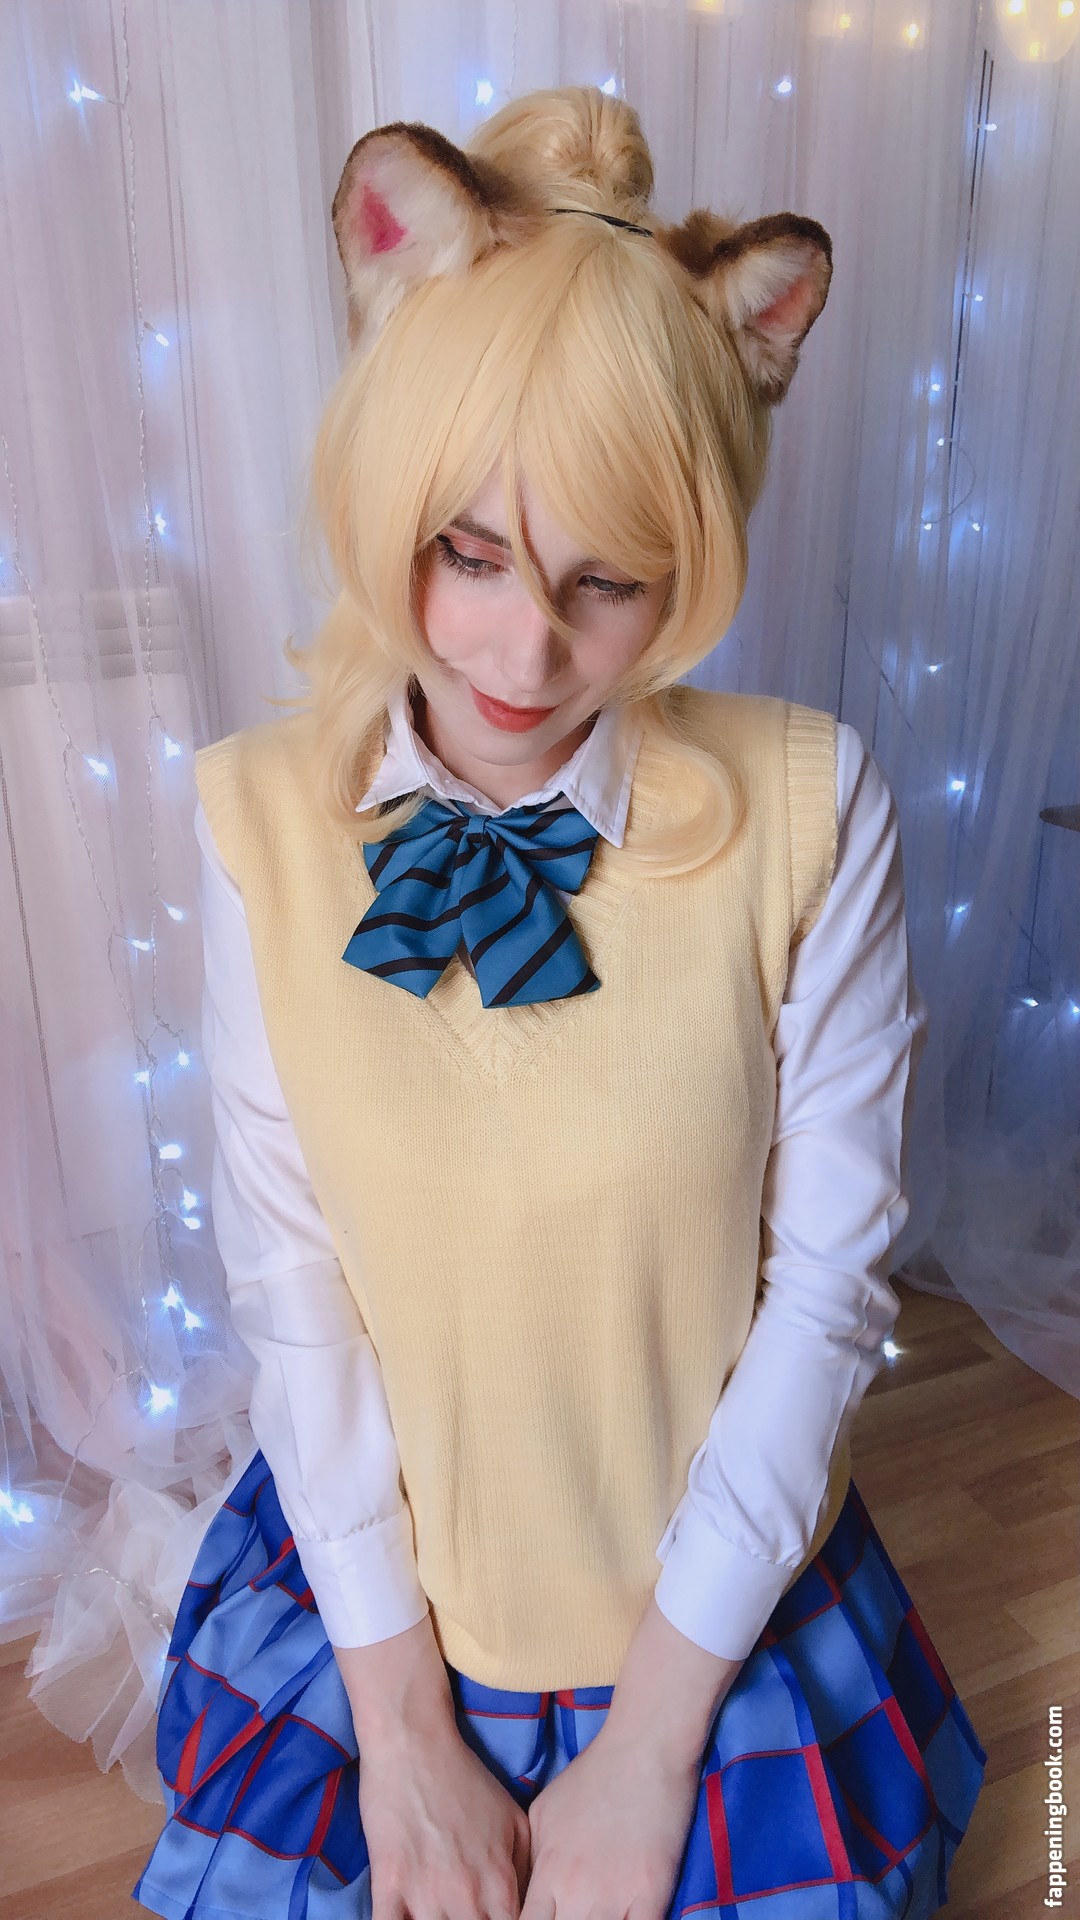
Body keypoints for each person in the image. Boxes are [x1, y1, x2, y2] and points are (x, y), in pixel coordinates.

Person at [134, 83, 986, 1920]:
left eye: (610, 583)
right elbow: (293, 1285)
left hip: (711, 1618)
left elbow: (830, 1289)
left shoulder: (815, 805)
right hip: (387, 1611)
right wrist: (401, 1730)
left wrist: (654, 1745)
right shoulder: (255, 818)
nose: (525, 653)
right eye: (468, 553)